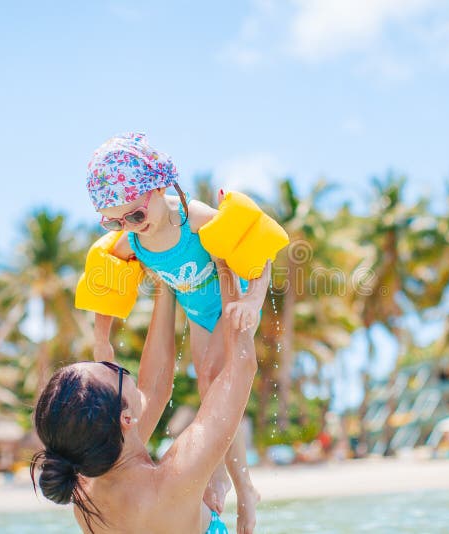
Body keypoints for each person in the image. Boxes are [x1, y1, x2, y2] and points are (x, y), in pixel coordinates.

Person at [76, 132, 287, 531]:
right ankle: (234, 480)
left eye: (136, 216)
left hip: (227, 304)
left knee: (211, 378)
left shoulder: (195, 218)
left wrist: (253, 303)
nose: (128, 226)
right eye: (113, 220)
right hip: (195, 313)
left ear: (160, 187)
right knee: (208, 390)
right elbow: (105, 283)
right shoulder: (131, 240)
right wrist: (102, 338)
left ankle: (242, 488)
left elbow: (258, 252)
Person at [32, 263, 263, 533]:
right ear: (126, 418)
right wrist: (226, 269)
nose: (113, 364)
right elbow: (240, 365)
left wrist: (165, 278)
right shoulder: (176, 476)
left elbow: (155, 387)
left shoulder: (86, 489)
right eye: (113, 370)